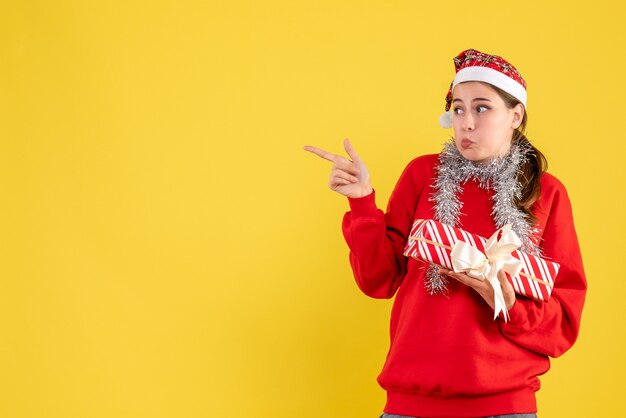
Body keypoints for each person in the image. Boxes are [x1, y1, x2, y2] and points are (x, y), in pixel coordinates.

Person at [304, 49, 587, 418]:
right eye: (457, 108)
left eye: (482, 108)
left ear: (515, 115)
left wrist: (508, 304)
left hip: (504, 406)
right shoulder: (422, 175)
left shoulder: (547, 193)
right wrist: (361, 203)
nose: (466, 123)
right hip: (410, 403)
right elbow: (379, 279)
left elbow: (562, 323)